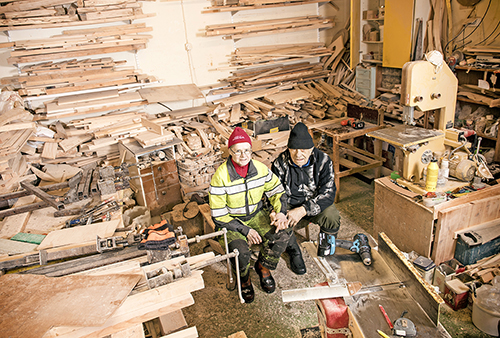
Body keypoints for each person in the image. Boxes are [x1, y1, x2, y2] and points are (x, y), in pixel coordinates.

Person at [209, 127, 290, 304]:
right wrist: (245, 230)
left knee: (282, 236)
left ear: (251, 151)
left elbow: (278, 191)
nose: (243, 155)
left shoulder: (260, 169)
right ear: (230, 152)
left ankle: (263, 268)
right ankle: (244, 278)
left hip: (256, 214)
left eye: (247, 150)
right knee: (241, 252)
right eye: (238, 151)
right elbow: (218, 215)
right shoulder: (221, 176)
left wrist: (281, 213)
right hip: (232, 222)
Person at [271, 122, 341, 272]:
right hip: (288, 204)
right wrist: (279, 212)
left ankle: (326, 245)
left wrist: (303, 210)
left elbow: (328, 192)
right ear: (288, 148)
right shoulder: (279, 163)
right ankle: (294, 250)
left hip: (313, 203)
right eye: (294, 149)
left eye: (303, 150)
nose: (298, 154)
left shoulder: (323, 160)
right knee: (278, 223)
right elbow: (275, 194)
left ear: (311, 149)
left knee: (332, 215)